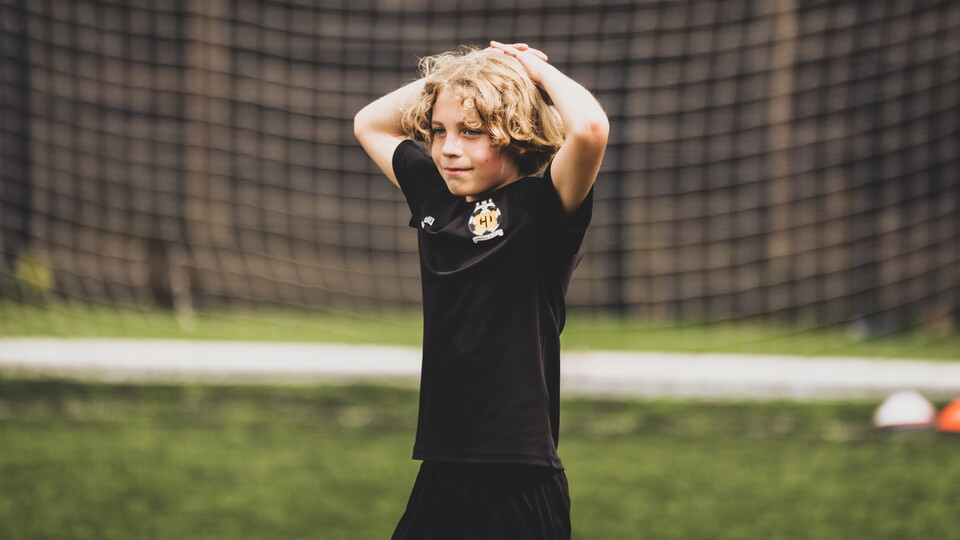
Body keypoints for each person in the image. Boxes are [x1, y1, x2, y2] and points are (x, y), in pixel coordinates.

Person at [353, 40, 608, 539]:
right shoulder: (435, 196)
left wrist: (529, 70)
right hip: (441, 463)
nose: (449, 148)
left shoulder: (544, 208)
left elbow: (590, 129)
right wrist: (460, 76)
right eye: (438, 131)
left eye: (471, 132)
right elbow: (370, 122)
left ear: (514, 133)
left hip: (519, 475)